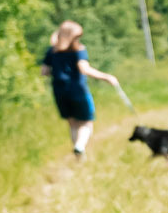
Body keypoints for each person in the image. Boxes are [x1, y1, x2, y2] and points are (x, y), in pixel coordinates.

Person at [39, 21, 125, 158]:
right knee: (86, 123)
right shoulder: (78, 50)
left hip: (59, 91)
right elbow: (84, 69)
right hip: (78, 90)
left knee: (72, 123)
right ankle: (80, 147)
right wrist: (107, 77)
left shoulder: (52, 51)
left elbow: (44, 72)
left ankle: (78, 154)